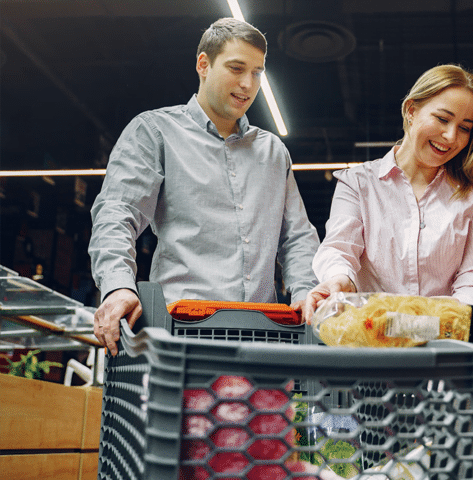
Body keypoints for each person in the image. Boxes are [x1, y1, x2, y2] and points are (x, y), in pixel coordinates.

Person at [89, 18, 320, 355]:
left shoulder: (273, 152)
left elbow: (297, 236)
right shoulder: (155, 132)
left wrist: (305, 291)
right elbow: (117, 214)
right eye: (236, 68)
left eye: (257, 72)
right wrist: (117, 286)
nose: (247, 84)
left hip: (264, 338)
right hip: (181, 336)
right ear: (203, 64)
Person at [304, 64, 473, 325]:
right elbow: (339, 249)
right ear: (411, 110)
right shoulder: (358, 183)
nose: (451, 136)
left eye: (465, 128)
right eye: (442, 119)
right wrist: (339, 280)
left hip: (447, 346)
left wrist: (431, 325)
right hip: (372, 339)